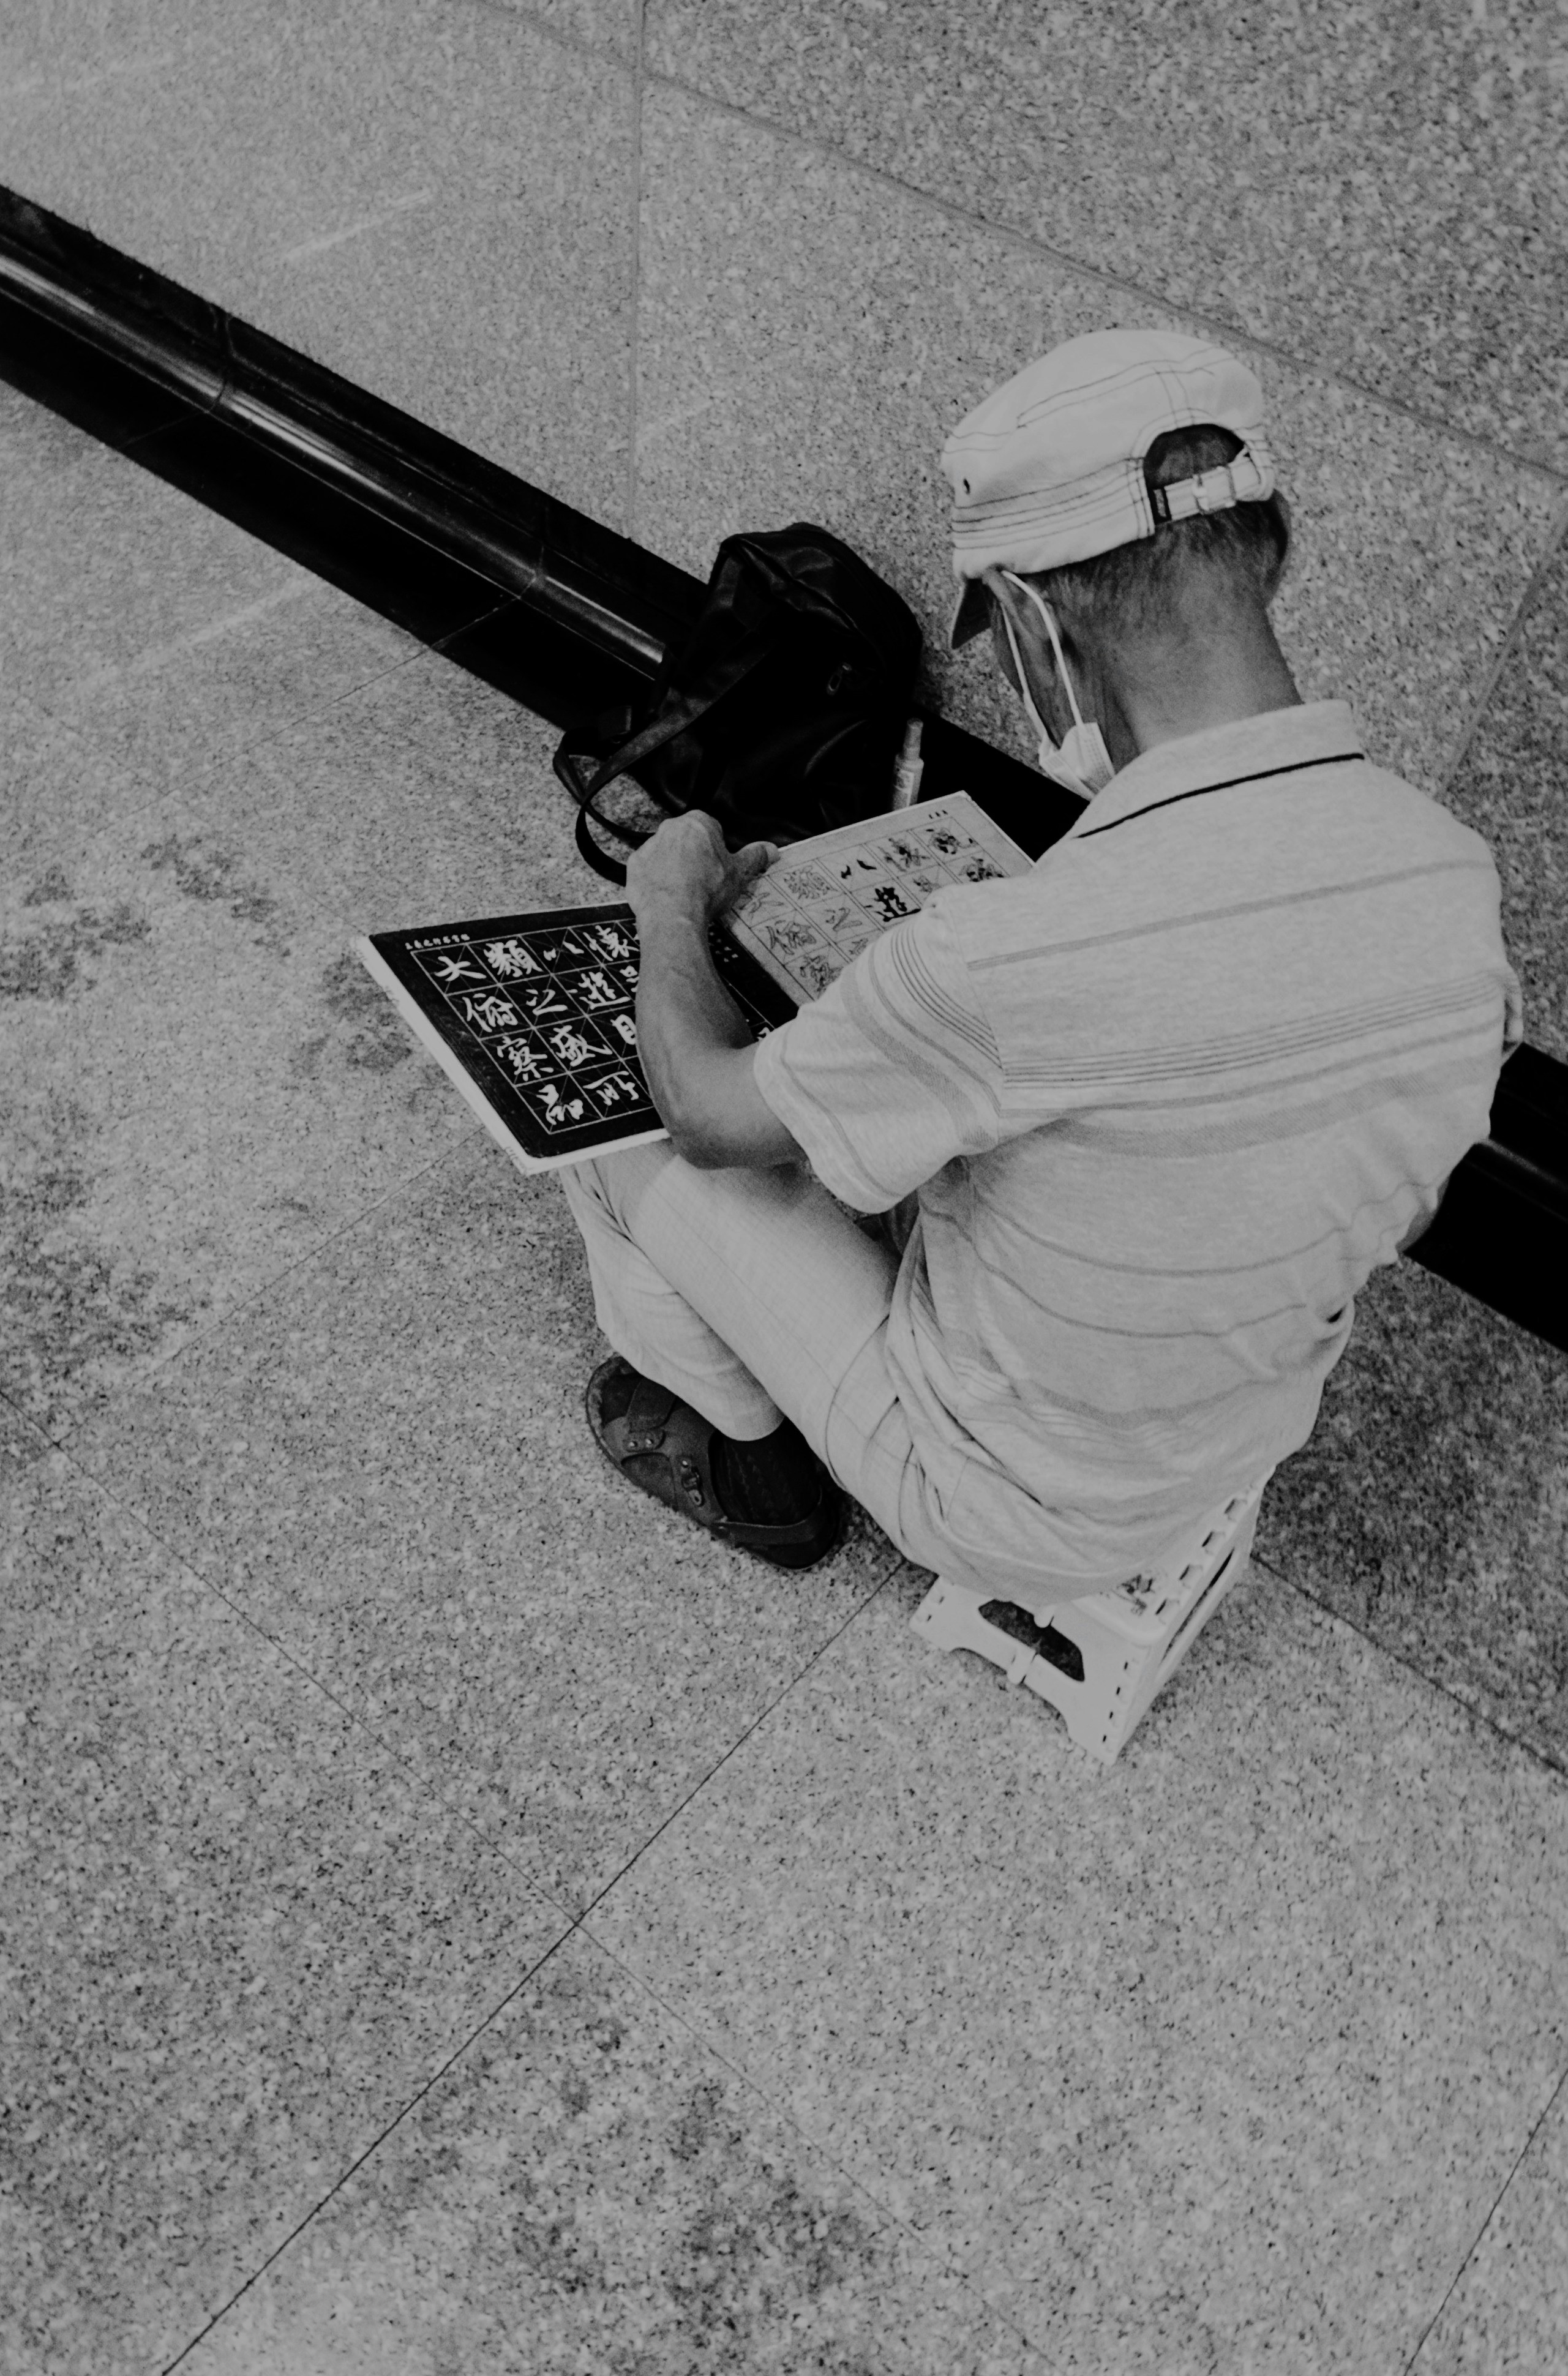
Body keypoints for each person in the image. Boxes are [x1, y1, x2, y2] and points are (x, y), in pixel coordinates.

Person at [559, 329, 1521, 1594]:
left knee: (609, 1109)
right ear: (1266, 555)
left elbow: (707, 1116)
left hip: (1002, 1499)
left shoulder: (1017, 955)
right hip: (1225, 1437)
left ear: (1026, 619)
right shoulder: (1452, 876)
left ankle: (758, 1470)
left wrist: (669, 904)